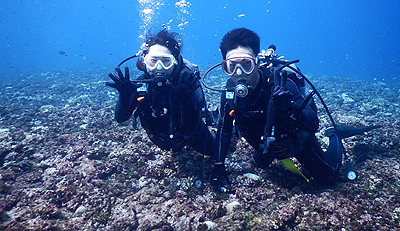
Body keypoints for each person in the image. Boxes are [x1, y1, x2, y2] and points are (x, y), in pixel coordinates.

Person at [209, 28, 377, 193]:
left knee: (328, 177)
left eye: (247, 65)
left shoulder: (280, 84)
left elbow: (312, 124)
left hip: (295, 142)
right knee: (259, 163)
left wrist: (291, 109)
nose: (239, 73)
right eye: (231, 67)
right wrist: (218, 166)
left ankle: (334, 134)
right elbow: (224, 130)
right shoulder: (230, 93)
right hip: (265, 145)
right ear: (225, 67)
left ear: (257, 62)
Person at [106, 30, 215, 159]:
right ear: (144, 60)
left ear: (174, 61)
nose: (159, 67)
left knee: (215, 151)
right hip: (158, 138)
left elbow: (191, 127)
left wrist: (185, 99)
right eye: (153, 61)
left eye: (166, 61)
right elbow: (120, 118)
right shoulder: (141, 84)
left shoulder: (186, 83)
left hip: (189, 137)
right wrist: (124, 96)